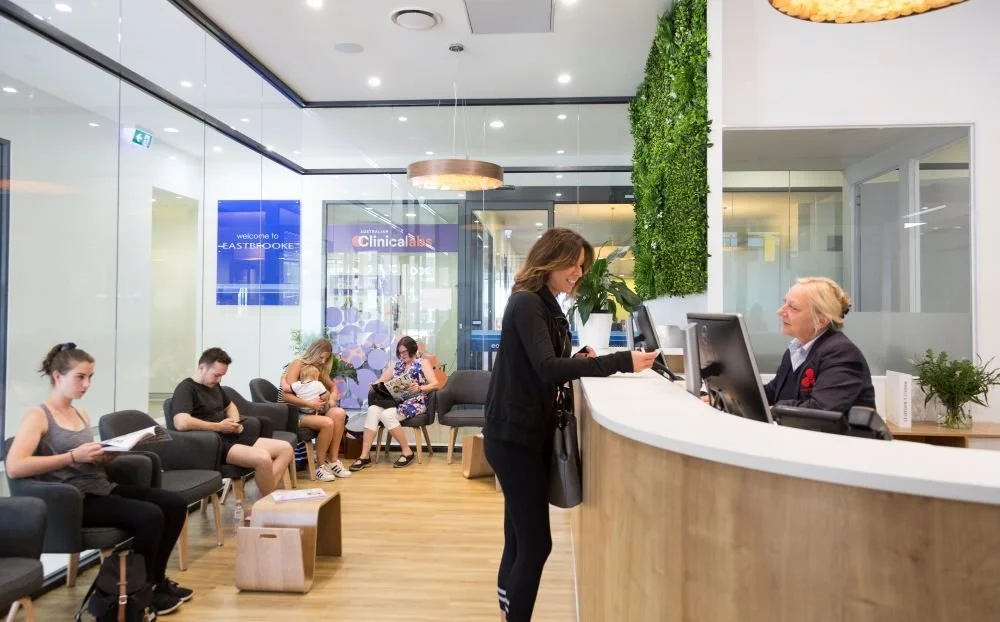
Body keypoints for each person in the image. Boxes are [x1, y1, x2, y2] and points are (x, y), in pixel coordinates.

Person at [482, 228, 658, 622]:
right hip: (514, 436)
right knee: (535, 545)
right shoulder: (527, 303)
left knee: (519, 538)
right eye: (573, 265)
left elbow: (540, 364)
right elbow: (546, 368)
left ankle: (508, 612)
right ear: (550, 260)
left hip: (520, 433)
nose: (579, 273)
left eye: (582, 267)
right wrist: (619, 362)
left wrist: (578, 359)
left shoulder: (541, 303)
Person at [6, 343, 193, 616]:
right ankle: (139, 591)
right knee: (150, 516)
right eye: (80, 377)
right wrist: (73, 456)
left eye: (90, 377)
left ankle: (155, 581)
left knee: (174, 504)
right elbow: (15, 466)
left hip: (101, 487)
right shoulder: (38, 416)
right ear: (58, 376)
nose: (87, 384)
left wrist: (107, 455)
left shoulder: (79, 413)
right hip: (73, 500)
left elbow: (87, 458)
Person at [171, 347, 294, 497]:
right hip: (211, 444)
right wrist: (219, 427)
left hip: (229, 437)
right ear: (202, 367)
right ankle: (267, 501)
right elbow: (181, 422)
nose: (219, 380)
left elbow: (230, 406)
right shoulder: (186, 389)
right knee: (263, 458)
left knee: (286, 449)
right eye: (216, 375)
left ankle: (264, 495)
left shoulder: (214, 386)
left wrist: (235, 422)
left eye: (222, 376)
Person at [764, 276, 876, 413]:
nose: (780, 311)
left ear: (821, 320)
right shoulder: (795, 351)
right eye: (785, 303)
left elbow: (820, 410)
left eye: (793, 307)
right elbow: (772, 392)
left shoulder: (841, 354)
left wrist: (773, 409)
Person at [350, 335, 439, 471]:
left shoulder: (422, 363)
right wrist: (374, 384)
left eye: (404, 352)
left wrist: (420, 388)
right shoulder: (397, 365)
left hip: (416, 401)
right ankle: (364, 456)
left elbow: (435, 384)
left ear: (412, 350)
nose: (402, 355)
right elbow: (382, 379)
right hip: (397, 402)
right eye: (400, 352)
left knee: (386, 415)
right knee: (373, 410)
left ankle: (407, 452)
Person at [279, 338, 351, 480]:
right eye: (321, 357)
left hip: (311, 410)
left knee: (339, 413)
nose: (323, 361)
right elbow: (286, 396)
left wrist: (332, 398)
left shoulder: (317, 367)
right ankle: (320, 466)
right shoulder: (298, 364)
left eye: (326, 359)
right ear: (314, 352)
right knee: (327, 423)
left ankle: (333, 461)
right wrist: (309, 404)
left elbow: (333, 386)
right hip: (292, 413)